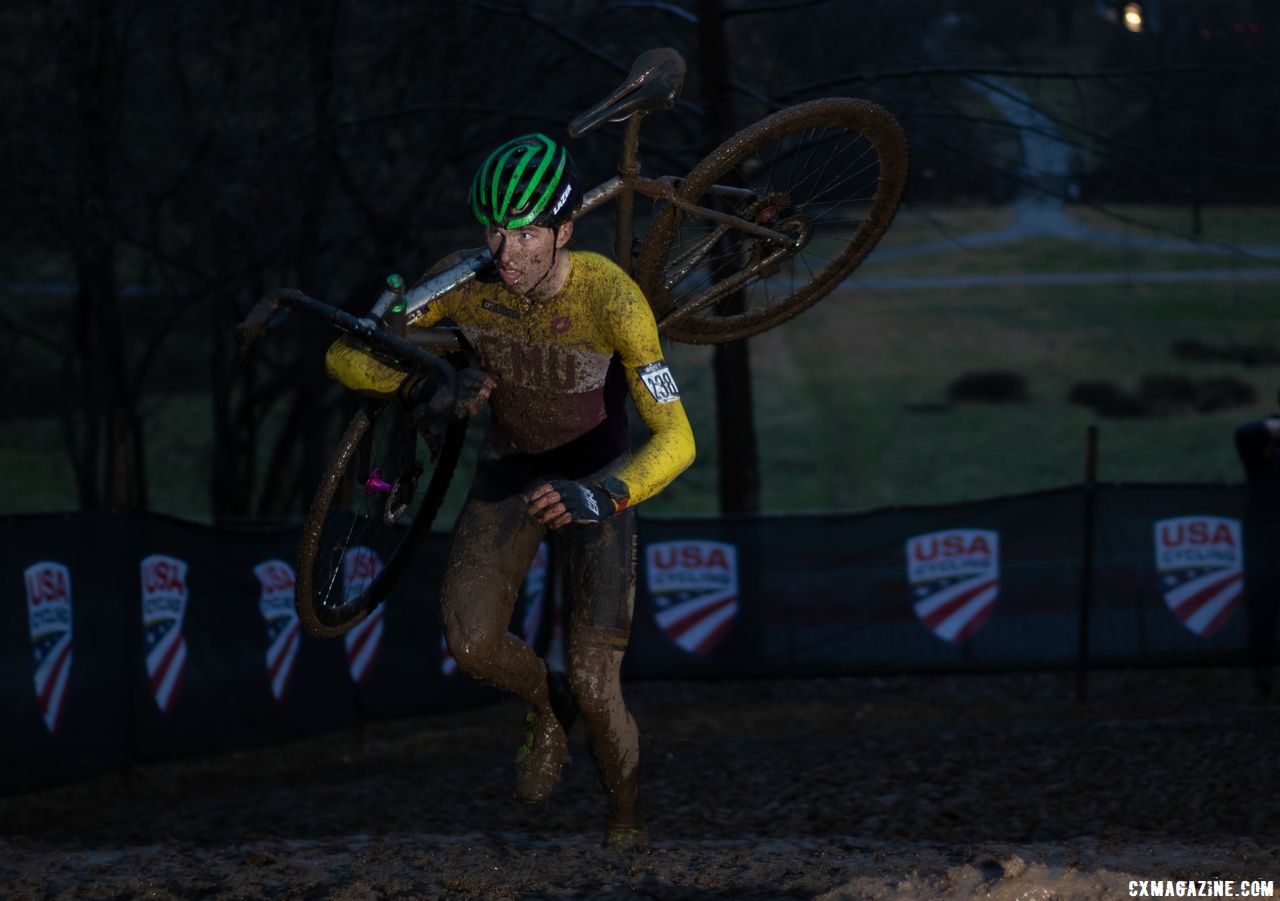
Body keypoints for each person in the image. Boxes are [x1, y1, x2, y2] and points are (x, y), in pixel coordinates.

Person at [324, 132, 695, 847]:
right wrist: (425, 378)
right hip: (509, 472)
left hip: (597, 483)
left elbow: (679, 437)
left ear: (564, 229)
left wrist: (608, 494)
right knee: (469, 641)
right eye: (495, 229)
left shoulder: (611, 295)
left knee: (598, 683)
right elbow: (345, 353)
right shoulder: (460, 280)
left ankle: (625, 825)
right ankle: (542, 708)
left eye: (527, 232)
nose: (508, 251)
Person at [1234, 398, 1280, 701]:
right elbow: (1245, 434)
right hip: (1267, 538)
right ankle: (1263, 682)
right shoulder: (1263, 436)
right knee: (1263, 612)